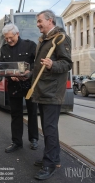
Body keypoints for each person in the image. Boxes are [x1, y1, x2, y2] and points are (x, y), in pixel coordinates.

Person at [31, 10, 72, 180]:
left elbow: (67, 63)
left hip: (52, 91)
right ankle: (51, 158)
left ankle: (50, 164)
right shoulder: (44, 39)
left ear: (50, 20)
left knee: (49, 129)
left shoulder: (61, 38)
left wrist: (52, 65)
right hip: (43, 89)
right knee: (48, 129)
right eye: (38, 21)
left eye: (40, 21)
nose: (38, 24)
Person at [0, 23, 39, 153]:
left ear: (18, 34)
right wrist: (10, 76)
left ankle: (34, 139)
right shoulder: (4, 49)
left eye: (11, 37)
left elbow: (38, 64)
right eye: (6, 38)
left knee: (32, 112)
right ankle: (16, 142)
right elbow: (2, 67)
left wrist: (30, 74)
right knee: (16, 114)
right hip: (14, 85)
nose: (9, 40)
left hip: (29, 85)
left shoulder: (30, 45)